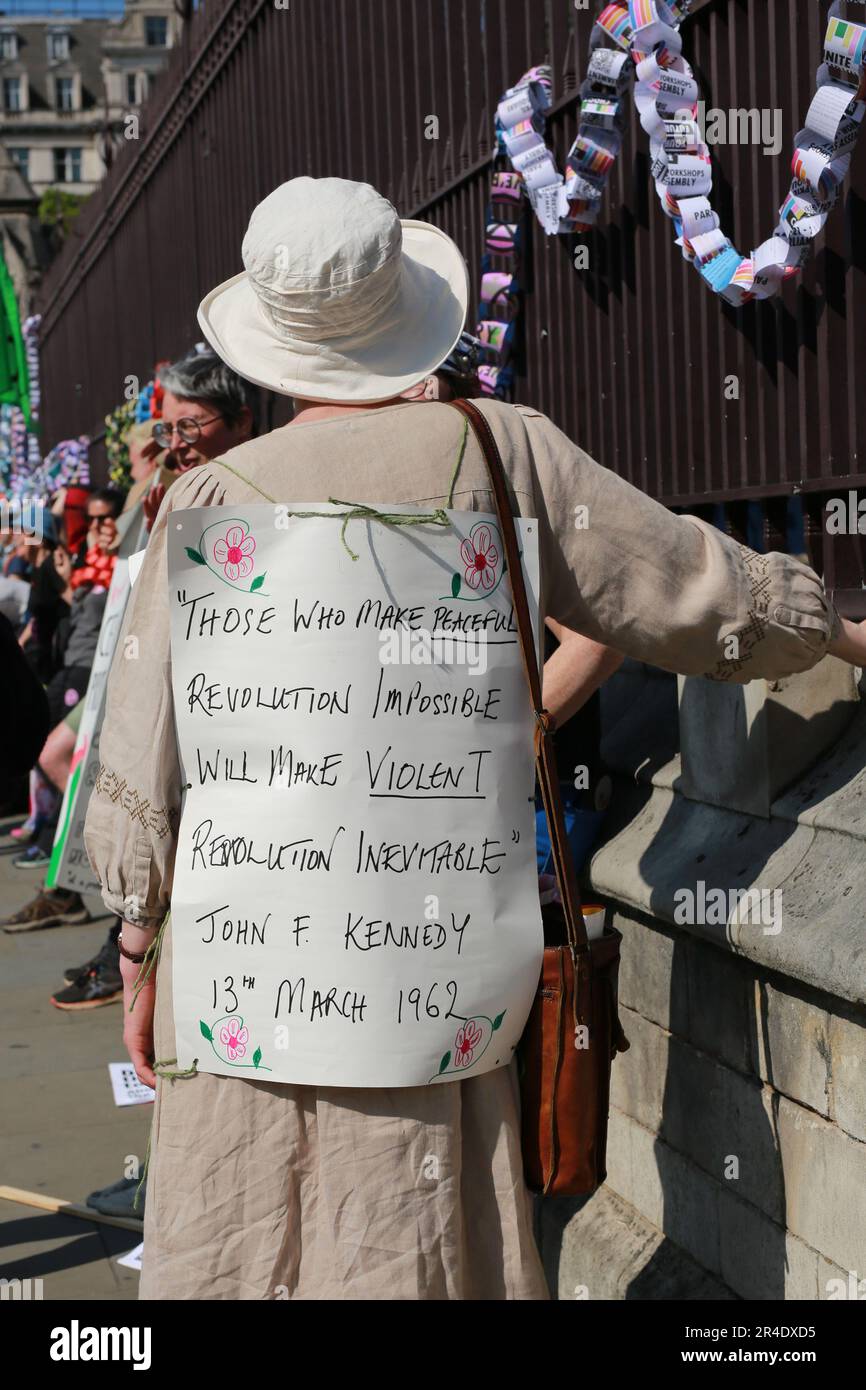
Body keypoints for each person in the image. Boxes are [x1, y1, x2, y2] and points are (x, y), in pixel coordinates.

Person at [82, 177, 866, 1302]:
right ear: (400, 300)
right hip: (425, 958)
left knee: (243, 1231)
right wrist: (829, 622)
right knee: (418, 1231)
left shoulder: (204, 496)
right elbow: (691, 590)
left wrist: (138, 946)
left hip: (243, 959)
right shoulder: (498, 451)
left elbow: (144, 756)